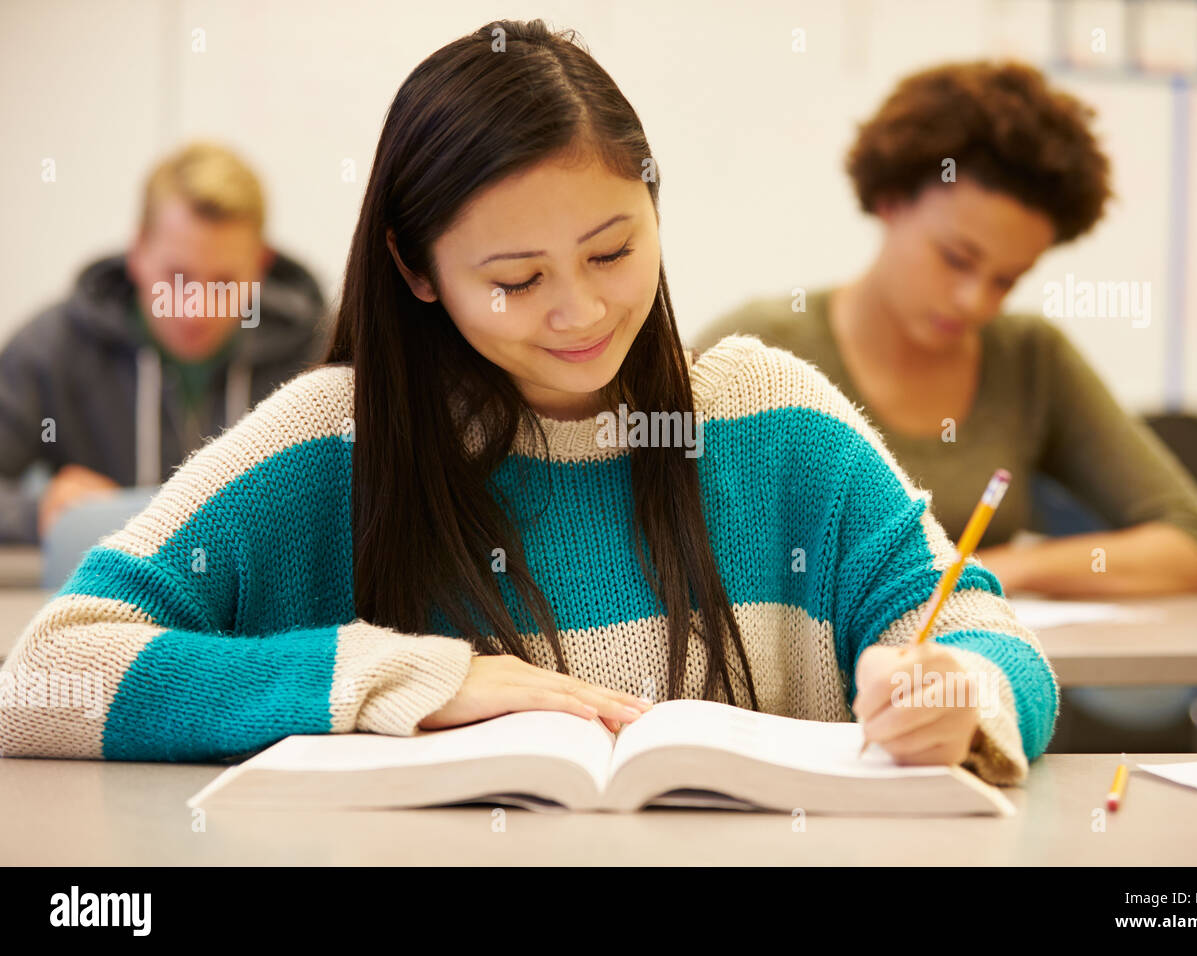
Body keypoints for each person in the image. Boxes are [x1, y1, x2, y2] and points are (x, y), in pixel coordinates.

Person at [0, 21, 1057, 787]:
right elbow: (44, 677)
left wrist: (965, 688)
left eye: (614, 248)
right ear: (416, 269)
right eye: (516, 278)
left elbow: (987, 631)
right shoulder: (330, 438)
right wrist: (402, 677)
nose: (582, 310)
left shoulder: (773, 419)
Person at [696, 61, 1197, 597]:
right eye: (956, 258)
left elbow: (1195, 549)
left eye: (1007, 280)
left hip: (981, 676)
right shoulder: (757, 350)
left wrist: (990, 569)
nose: (974, 301)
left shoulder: (1031, 359)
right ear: (890, 201)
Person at [0, 141, 329, 545]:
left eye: (224, 283)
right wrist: (40, 510)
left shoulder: (323, 355)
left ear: (260, 267)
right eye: (178, 277)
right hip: (109, 598)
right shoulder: (51, 349)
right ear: (137, 252)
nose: (197, 309)